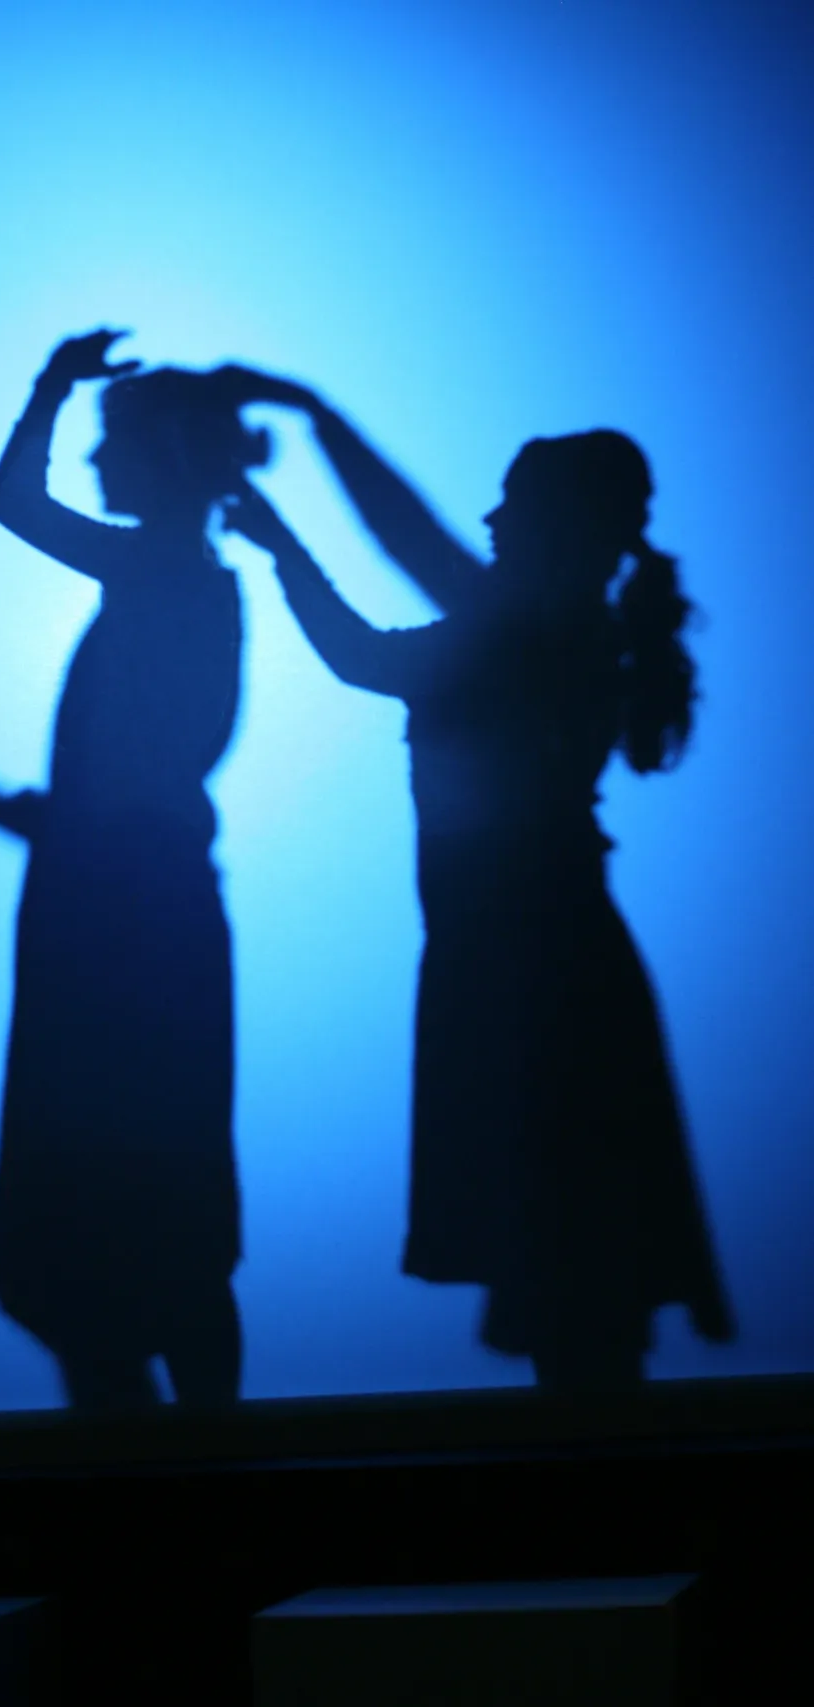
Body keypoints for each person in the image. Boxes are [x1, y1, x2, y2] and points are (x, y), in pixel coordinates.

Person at [219, 370, 734, 1393]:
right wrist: (289, 509)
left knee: (566, 1266)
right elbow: (386, 612)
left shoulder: (532, 636)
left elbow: (382, 606)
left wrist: (310, 441)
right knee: (576, 1275)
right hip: (534, 958)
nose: (490, 517)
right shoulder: (558, 633)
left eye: (511, 500)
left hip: (527, 972)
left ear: (555, 524)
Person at [0, 329, 269, 1412]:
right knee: (148, 1219)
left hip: (117, 938)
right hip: (126, 923)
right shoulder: (190, 583)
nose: (97, 467)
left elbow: (14, 504)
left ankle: (174, 1488)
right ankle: (184, 1478)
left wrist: (51, 385)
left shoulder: (159, 572)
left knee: (106, 1225)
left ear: (165, 463)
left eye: (114, 447)